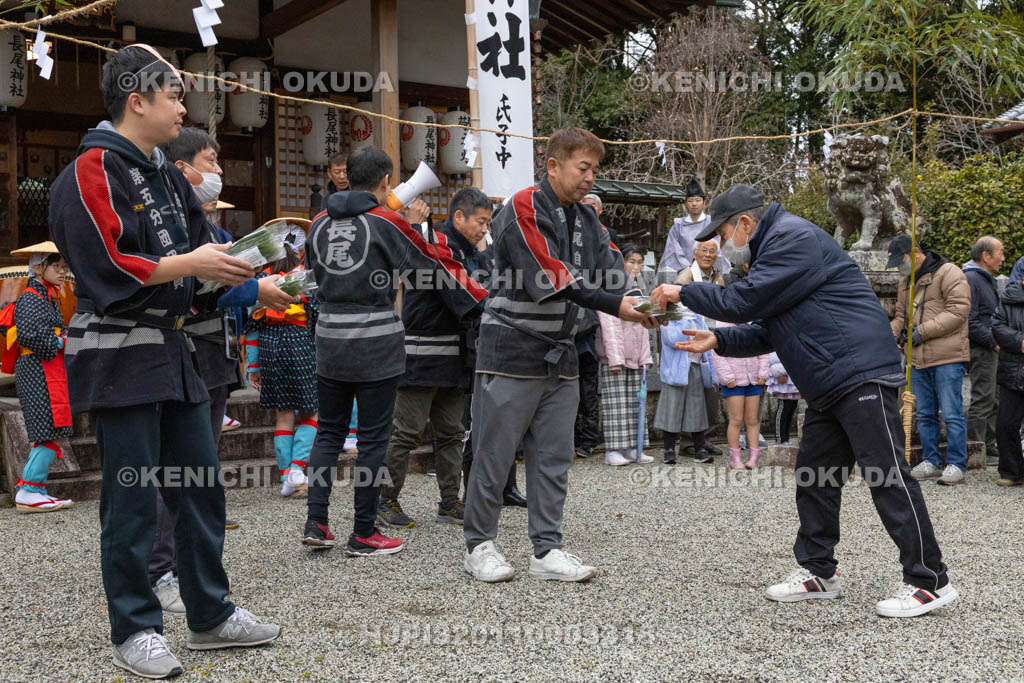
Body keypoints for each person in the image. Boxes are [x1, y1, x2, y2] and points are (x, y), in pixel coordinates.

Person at [49, 44, 280, 679]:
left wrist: (252, 280)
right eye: (174, 94)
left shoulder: (166, 174)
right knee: (131, 497)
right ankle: (136, 627)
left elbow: (205, 251)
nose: (185, 105)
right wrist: (194, 265)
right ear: (137, 99)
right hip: (121, 353)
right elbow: (106, 263)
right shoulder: (92, 169)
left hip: (178, 350)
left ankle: (209, 613)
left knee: (200, 487)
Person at [649, 183, 957, 618]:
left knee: (886, 474)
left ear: (745, 224)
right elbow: (768, 328)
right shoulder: (774, 249)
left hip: (859, 370)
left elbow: (744, 301)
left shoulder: (794, 239)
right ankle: (818, 572)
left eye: (720, 237)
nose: (720, 248)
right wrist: (718, 338)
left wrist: (680, 292)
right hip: (830, 379)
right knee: (815, 475)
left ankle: (930, 580)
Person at [462, 127, 656, 584]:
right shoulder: (523, 206)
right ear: (553, 165)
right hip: (511, 349)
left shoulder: (587, 220)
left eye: (594, 170)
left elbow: (613, 268)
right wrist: (618, 304)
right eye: (582, 167)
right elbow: (548, 276)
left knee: (553, 456)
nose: (590, 178)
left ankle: (547, 547)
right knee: (495, 451)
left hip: (562, 353)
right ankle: (479, 545)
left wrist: (643, 304)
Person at [302, 146, 487, 555]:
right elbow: (430, 264)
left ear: (346, 176)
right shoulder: (387, 222)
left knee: (329, 432)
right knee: (372, 438)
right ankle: (364, 531)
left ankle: (316, 521)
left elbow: (310, 274)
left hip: (329, 340)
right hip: (376, 342)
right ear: (386, 181)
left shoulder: (317, 223)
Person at [376, 187, 491, 529]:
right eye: (480, 222)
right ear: (459, 217)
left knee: (452, 431)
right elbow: (462, 291)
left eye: (488, 223)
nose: (485, 230)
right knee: (406, 431)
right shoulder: (435, 243)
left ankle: (449, 501)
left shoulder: (470, 250)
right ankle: (385, 498)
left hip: (456, 355)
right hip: (423, 352)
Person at [887, 235, 971, 486]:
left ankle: (957, 463)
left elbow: (958, 311)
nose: (900, 270)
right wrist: (889, 334)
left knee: (952, 412)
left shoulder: (949, 273)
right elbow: (901, 316)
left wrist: (921, 332)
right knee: (924, 414)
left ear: (914, 253)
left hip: (948, 355)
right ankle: (931, 460)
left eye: (901, 263)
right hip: (917, 357)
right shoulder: (905, 283)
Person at [246, 244, 319, 498]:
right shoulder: (304, 279)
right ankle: (297, 469)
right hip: (300, 342)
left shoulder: (259, 283)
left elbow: (251, 326)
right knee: (311, 412)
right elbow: (317, 316)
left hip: (269, 345)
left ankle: (286, 475)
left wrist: (252, 366)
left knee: (283, 414)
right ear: (295, 256)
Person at [9, 244, 74, 512]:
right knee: (49, 429)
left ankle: (36, 489)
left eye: (64, 267)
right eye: (56, 267)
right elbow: (27, 334)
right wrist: (60, 341)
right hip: (37, 368)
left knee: (50, 428)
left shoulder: (43, 296)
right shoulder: (30, 297)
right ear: (38, 268)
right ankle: (29, 489)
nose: (62, 272)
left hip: (44, 367)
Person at [657, 239, 727, 463]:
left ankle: (699, 446)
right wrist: (693, 334)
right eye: (704, 251)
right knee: (672, 406)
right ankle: (670, 448)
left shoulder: (716, 278)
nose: (708, 255)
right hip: (678, 365)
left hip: (698, 361)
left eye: (712, 251)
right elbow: (669, 337)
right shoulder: (674, 306)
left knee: (698, 406)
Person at [596, 243, 654, 466]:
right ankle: (613, 449)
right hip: (615, 357)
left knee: (634, 404)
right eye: (631, 261)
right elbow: (609, 326)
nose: (636, 266)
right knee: (615, 405)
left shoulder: (639, 287)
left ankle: (633, 446)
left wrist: (645, 357)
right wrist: (615, 357)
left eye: (639, 262)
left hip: (635, 356)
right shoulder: (611, 287)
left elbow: (644, 328)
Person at [963, 236, 1003, 464]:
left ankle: (989, 444)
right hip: (982, 348)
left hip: (992, 346)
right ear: (986, 256)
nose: (1003, 258)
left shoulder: (985, 279)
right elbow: (971, 320)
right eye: (1000, 252)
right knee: (983, 397)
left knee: (994, 397)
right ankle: (975, 448)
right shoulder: (971, 279)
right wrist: (993, 341)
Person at [713, 322, 769, 469]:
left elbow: (762, 351)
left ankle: (754, 457)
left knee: (752, 420)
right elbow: (717, 355)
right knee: (736, 420)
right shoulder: (722, 327)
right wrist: (727, 378)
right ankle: (735, 459)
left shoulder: (753, 326)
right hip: (733, 382)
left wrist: (763, 373)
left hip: (753, 380)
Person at [657, 178, 729, 282]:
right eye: (690, 201)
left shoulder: (713, 224)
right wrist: (691, 269)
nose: (694, 204)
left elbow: (719, 249)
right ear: (686, 204)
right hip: (684, 273)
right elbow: (673, 252)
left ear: (704, 203)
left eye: (698, 200)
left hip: (711, 273)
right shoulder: (678, 226)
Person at [992, 279, 1024, 486]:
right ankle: (1012, 471)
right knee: (1006, 423)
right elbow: (996, 325)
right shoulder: (1009, 297)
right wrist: (1020, 341)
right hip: (1013, 369)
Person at [767, 352, 801, 444]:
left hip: (795, 375)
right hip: (784, 376)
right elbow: (774, 354)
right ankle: (780, 438)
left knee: (791, 408)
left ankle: (786, 438)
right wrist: (779, 372)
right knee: (784, 408)